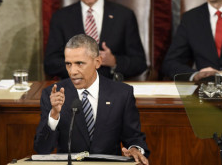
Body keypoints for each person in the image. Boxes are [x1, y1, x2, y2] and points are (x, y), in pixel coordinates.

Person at [34, 34, 149, 165]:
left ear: (97, 62)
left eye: (79, 63)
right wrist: (54, 114)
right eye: (68, 64)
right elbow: (42, 149)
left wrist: (134, 149)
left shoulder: (121, 93)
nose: (72, 71)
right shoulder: (53, 95)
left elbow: (134, 137)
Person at [44, 0, 147, 80]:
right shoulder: (61, 18)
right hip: (74, 89)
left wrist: (114, 61)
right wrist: (78, 65)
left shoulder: (124, 16)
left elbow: (139, 63)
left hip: (112, 87)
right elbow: (50, 64)